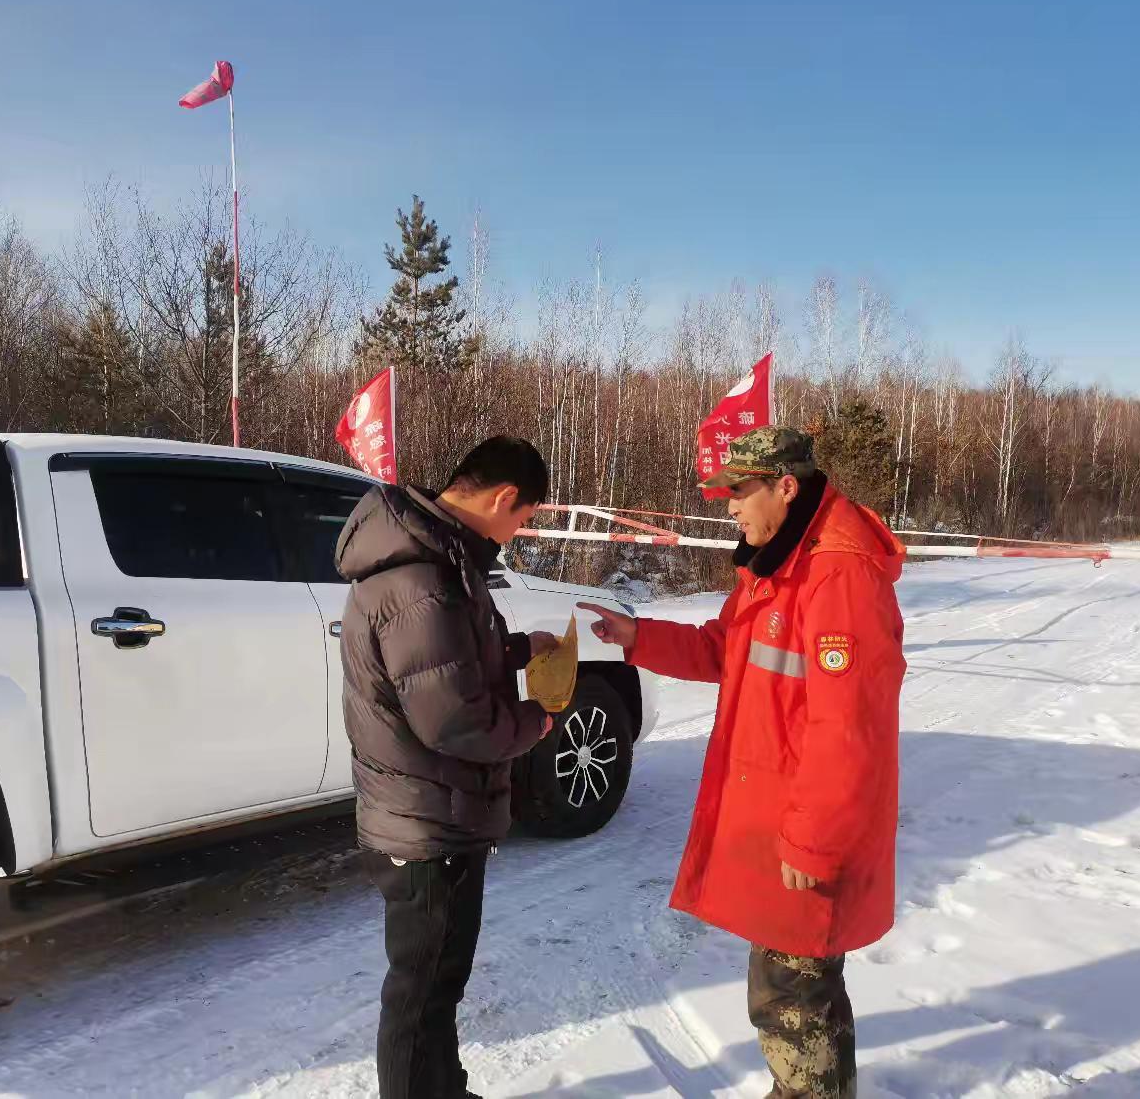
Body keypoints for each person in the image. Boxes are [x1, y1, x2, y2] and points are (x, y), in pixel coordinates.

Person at [579, 425, 905, 1099]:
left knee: (791, 994)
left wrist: (813, 841)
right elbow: (723, 649)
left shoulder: (837, 574)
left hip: (809, 829)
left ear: (785, 487)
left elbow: (849, 726)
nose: (729, 506)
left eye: (739, 491)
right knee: (797, 989)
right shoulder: (780, 564)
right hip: (782, 817)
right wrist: (638, 637)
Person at [334, 436, 558, 1099]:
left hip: (438, 813)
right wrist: (536, 722)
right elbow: (454, 720)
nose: (518, 533)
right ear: (504, 497)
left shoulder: (438, 559)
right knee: (419, 993)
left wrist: (518, 649)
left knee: (439, 984)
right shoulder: (422, 579)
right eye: (524, 518)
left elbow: (446, 662)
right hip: (427, 824)